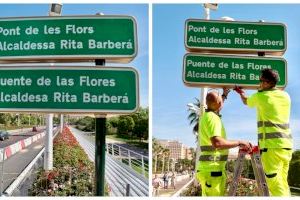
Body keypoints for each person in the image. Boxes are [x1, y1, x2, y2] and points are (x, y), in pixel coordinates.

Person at [234, 68, 293, 196]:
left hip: (271, 147)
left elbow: (246, 101)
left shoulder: (261, 96)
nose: (259, 83)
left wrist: (241, 92)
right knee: (282, 182)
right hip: (286, 146)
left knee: (274, 184)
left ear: (267, 83)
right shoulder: (286, 96)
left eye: (261, 80)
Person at [196, 88, 252, 196]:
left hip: (211, 171)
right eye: (220, 101)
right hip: (212, 171)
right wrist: (239, 142)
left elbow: (217, 105)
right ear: (218, 103)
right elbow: (217, 143)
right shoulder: (213, 118)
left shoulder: (208, 115)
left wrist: (224, 95)